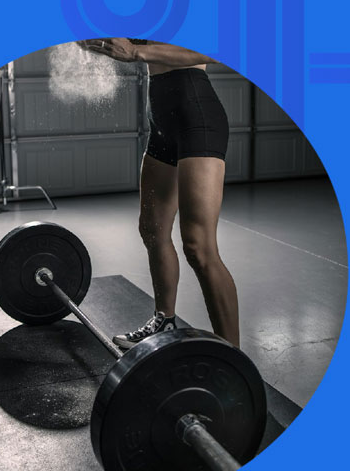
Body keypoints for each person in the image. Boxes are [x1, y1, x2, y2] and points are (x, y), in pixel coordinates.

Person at [78, 38, 240, 349]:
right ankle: (163, 320)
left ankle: (232, 358)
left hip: (197, 116)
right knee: (152, 229)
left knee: (198, 247)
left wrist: (137, 52)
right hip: (162, 118)